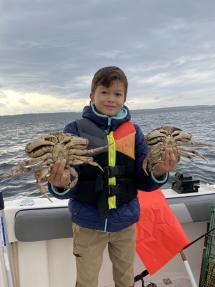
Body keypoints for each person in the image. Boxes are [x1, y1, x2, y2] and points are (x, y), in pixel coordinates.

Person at [48, 66, 179, 287]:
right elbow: (70, 176)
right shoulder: (75, 129)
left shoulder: (134, 132)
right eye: (104, 92)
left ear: (125, 98)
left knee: (125, 279)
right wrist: (61, 185)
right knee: (86, 281)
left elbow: (144, 178)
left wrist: (159, 172)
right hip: (88, 223)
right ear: (92, 95)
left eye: (117, 94)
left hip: (125, 223)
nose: (111, 99)